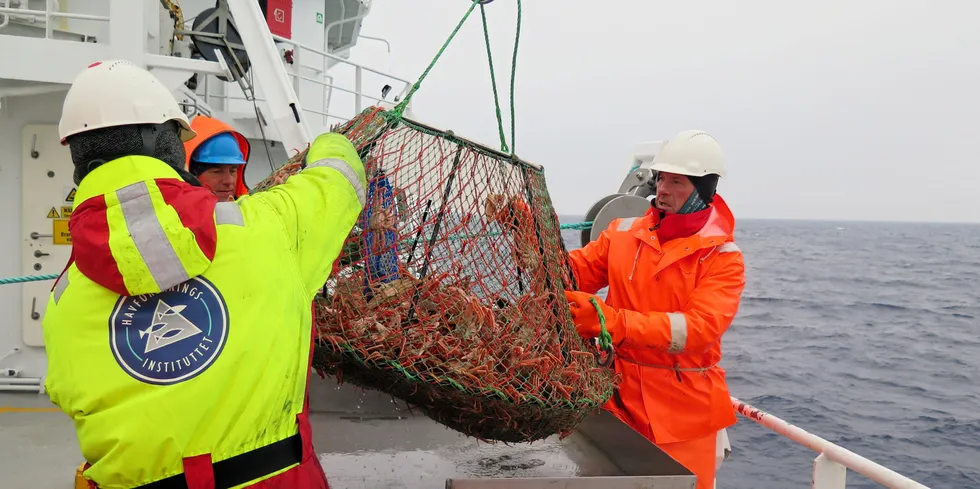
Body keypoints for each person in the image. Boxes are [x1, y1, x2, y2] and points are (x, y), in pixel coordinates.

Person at [46, 59, 366, 489]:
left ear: (80, 163)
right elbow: (339, 183)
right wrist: (332, 141)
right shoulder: (269, 229)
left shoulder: (61, 302)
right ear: (168, 148)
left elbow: (67, 394)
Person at [486, 129, 744, 489]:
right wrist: (528, 233)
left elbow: (699, 329)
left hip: (683, 417)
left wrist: (609, 321)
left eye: (677, 182)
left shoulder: (722, 258)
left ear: (704, 191)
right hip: (616, 401)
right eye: (662, 179)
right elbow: (569, 276)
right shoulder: (623, 232)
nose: (663, 190)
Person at [183, 114, 251, 201]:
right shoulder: (174, 213)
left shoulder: (249, 211)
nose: (229, 181)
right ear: (192, 174)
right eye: (217, 172)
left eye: (233, 171)